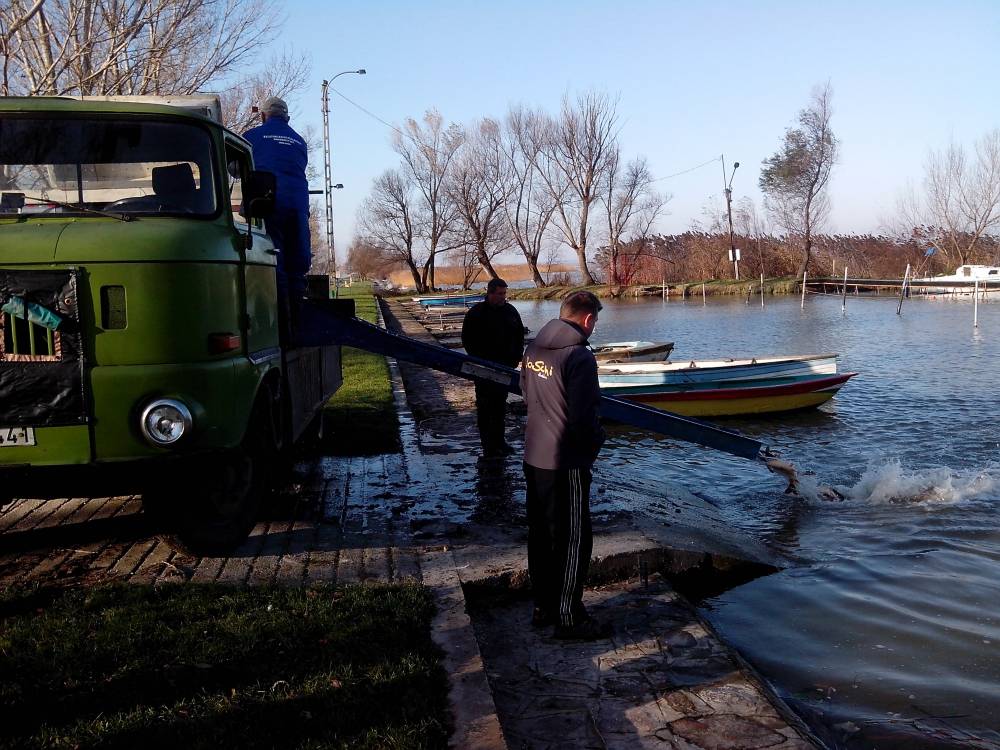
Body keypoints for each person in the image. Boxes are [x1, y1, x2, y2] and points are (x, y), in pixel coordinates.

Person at [520, 290, 610, 640]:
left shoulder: (533, 349)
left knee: (541, 534)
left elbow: (526, 396)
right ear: (587, 319)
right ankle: (569, 617)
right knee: (574, 539)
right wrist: (594, 445)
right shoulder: (579, 357)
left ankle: (544, 605)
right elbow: (584, 418)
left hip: (534, 455)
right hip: (565, 461)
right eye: (595, 321)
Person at [243, 96, 311, 331]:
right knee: (297, 269)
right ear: (287, 118)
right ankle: (299, 326)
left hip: (270, 205)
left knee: (275, 264)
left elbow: (234, 168)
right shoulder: (300, 142)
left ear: (263, 116)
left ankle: (281, 332)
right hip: (299, 207)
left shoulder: (252, 137)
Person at [461, 278, 525, 457]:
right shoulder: (476, 313)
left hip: (505, 366)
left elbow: (519, 335)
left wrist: (516, 357)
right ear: (490, 293)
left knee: (499, 405)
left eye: (505, 293)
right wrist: (479, 360)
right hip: (483, 367)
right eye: (500, 294)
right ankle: (487, 444)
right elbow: (467, 339)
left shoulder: (510, 311)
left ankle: (499, 441)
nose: (503, 297)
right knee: (484, 405)